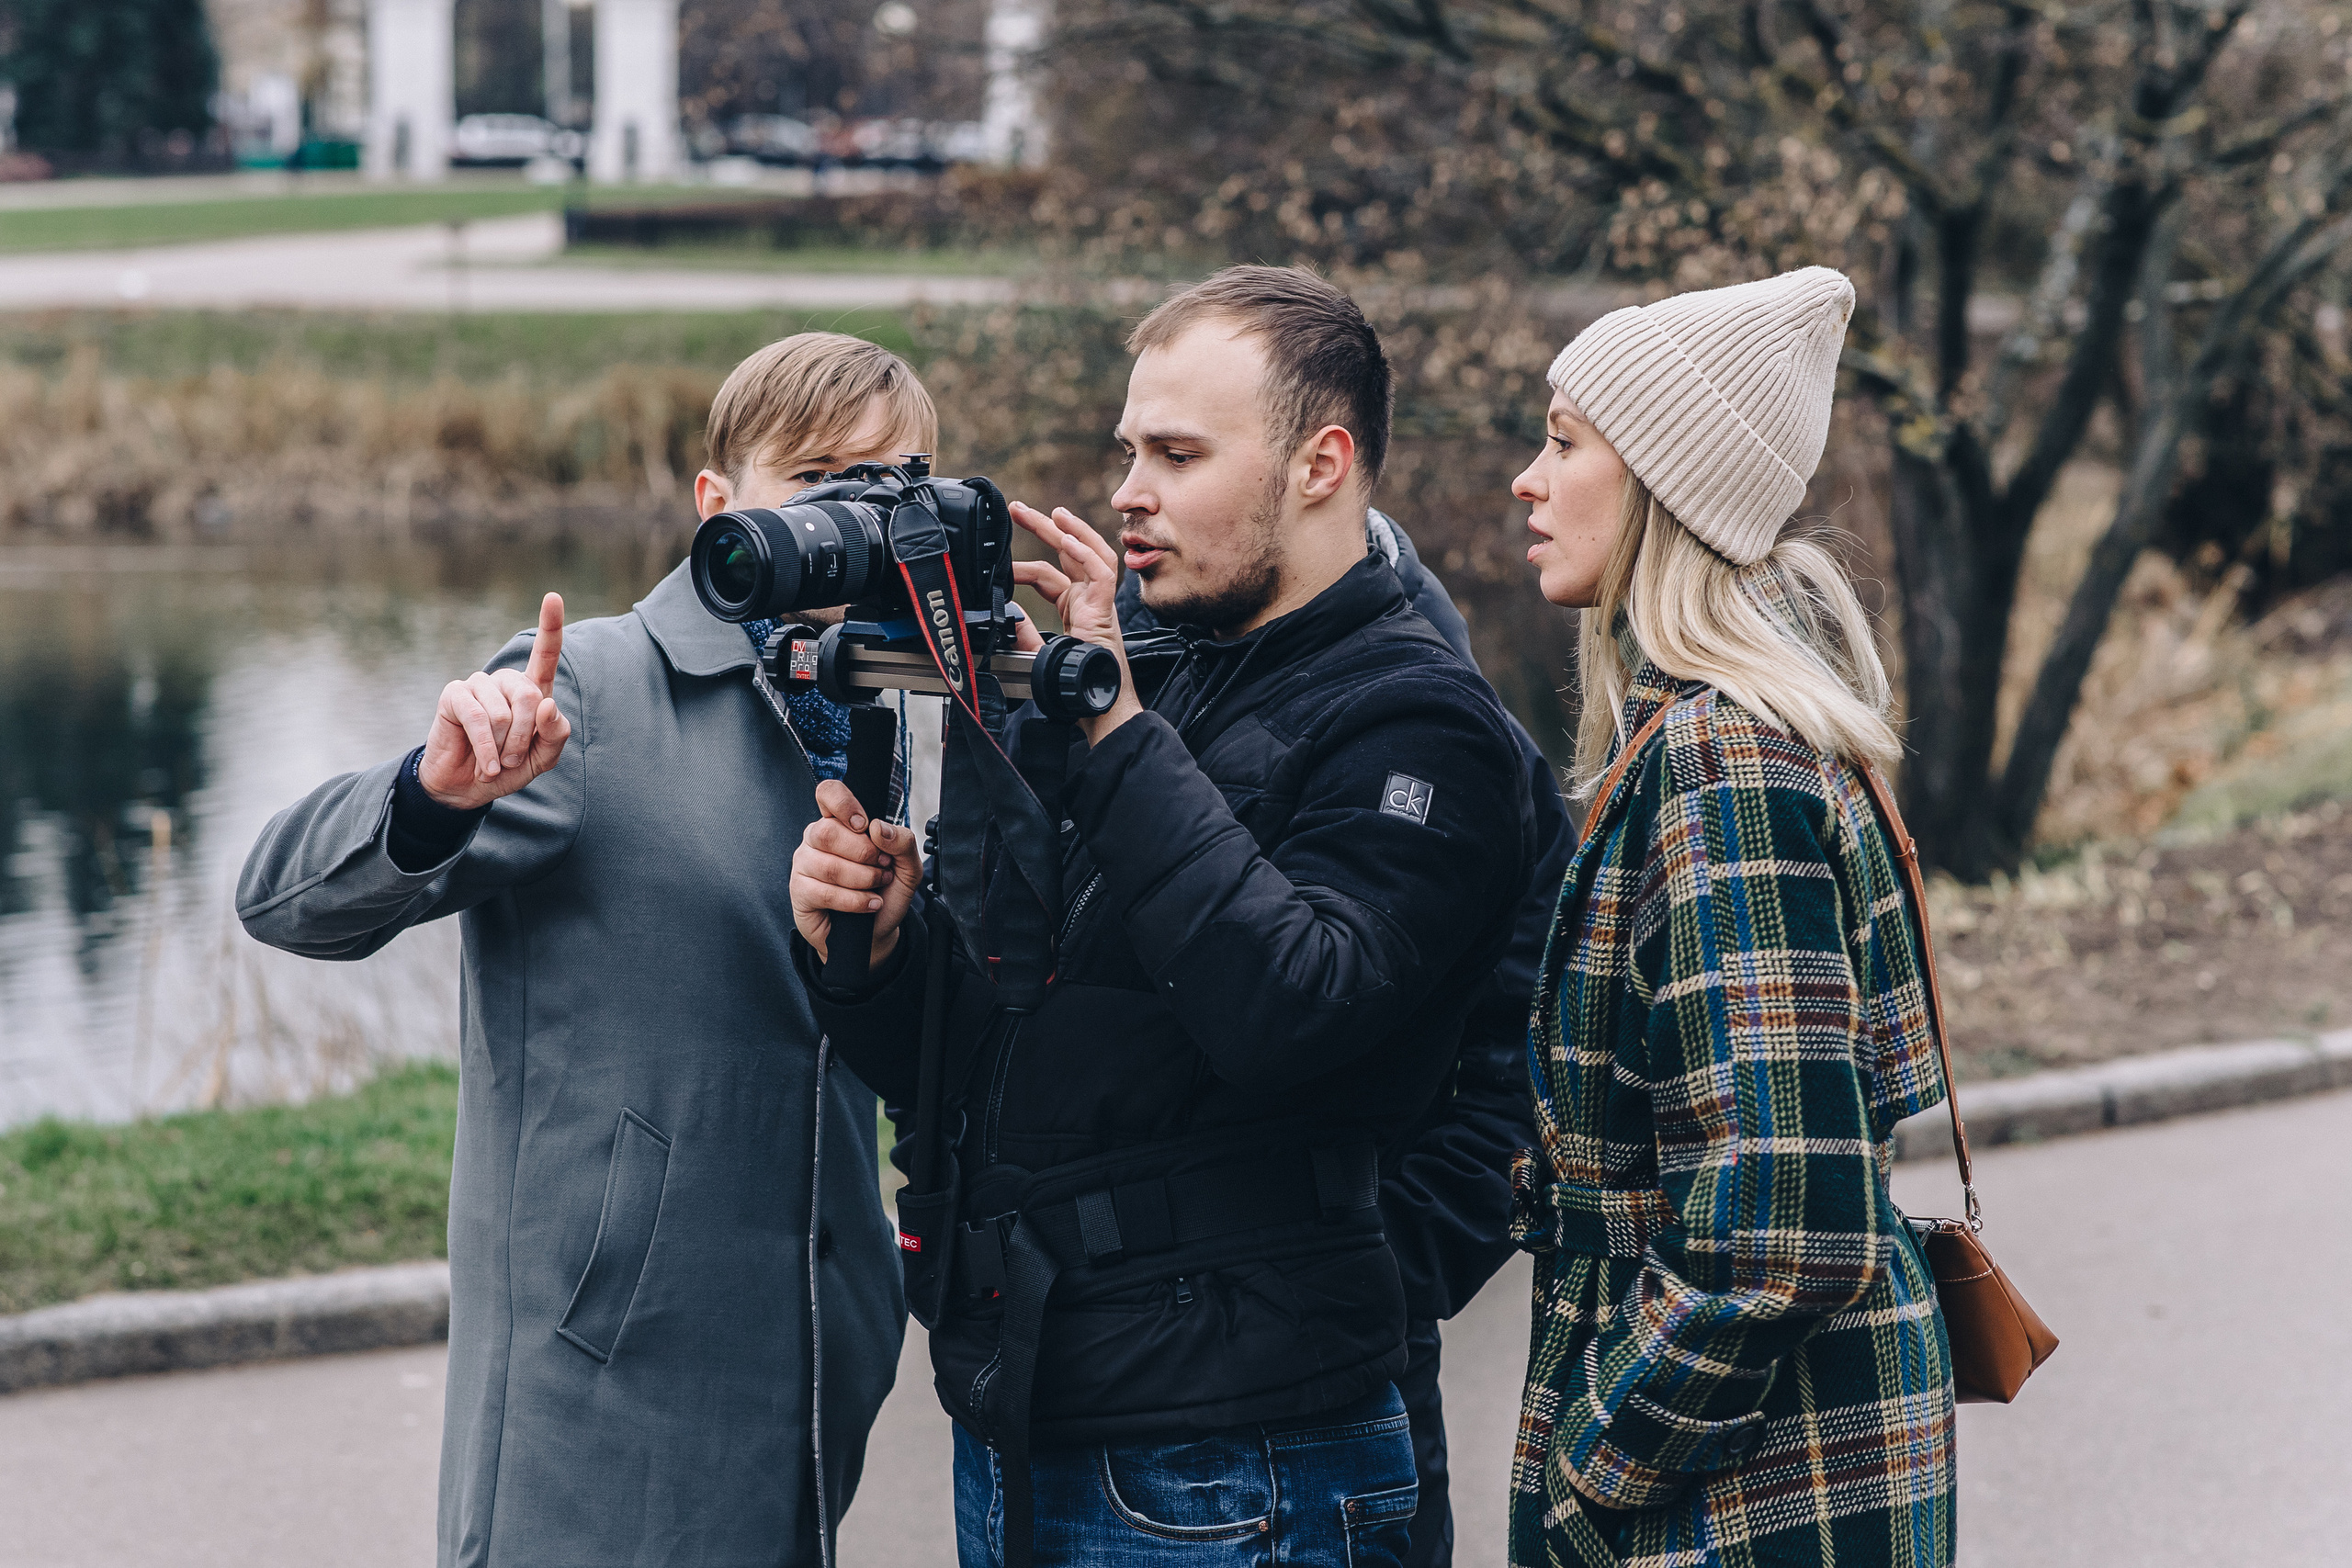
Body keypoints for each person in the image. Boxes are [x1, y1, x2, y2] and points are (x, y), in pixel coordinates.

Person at [788, 265, 1539, 1568]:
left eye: (1178, 453)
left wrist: (1107, 727)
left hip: (1243, 1454)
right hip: (1029, 1403)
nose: (1128, 487)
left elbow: (1290, 1004)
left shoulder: (1419, 721)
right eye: (1129, 447)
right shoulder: (1135, 674)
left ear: (1321, 462)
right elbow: (997, 1061)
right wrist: (877, 951)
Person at [237, 333, 925, 1568]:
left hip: (816, 1365)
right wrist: (433, 793)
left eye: (892, 483)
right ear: (719, 502)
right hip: (605, 1378)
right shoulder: (593, 687)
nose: (856, 518)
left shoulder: (892, 701)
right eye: (821, 477)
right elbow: (283, 898)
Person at [1507, 267, 1956, 1568]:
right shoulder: (1716, 735)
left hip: (1742, 1500)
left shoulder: (1728, 763)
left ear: (1662, 483)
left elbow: (1784, 1225)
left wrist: (1599, 1460)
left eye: (1563, 440)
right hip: (1778, 1477)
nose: (1529, 481)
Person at [1117, 510, 1576, 1568]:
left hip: (1344, 1328)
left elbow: (1523, 1044)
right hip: (1128, 1348)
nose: (1142, 500)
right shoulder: (1160, 669)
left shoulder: (1433, 726)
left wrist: (1391, 1264)